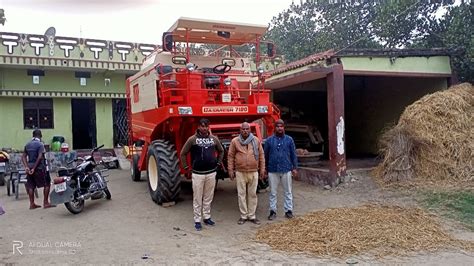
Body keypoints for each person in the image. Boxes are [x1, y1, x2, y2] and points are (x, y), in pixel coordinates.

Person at [180, 118, 224, 231]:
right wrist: (186, 168)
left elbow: (221, 150)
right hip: (198, 174)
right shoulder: (192, 140)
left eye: (206, 126)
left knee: (208, 197)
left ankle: (207, 217)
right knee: (197, 198)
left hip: (211, 173)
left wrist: (218, 163)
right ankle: (197, 220)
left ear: (208, 127)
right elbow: (183, 153)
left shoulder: (214, 139)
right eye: (202, 126)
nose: (204, 128)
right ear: (198, 127)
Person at [228, 122, 265, 225]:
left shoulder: (256, 140)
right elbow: (230, 156)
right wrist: (230, 170)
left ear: (250, 130)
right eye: (243, 129)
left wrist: (262, 169)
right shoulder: (235, 141)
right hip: (240, 172)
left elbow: (261, 155)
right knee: (241, 194)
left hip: (253, 172)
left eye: (247, 129)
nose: (245, 131)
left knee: (253, 194)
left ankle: (252, 216)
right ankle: (243, 216)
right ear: (240, 130)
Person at [264, 119, 298, 220]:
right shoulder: (269, 141)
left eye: (281, 126)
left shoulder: (289, 140)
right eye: (278, 126)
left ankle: (288, 210)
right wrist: (265, 169)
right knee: (273, 192)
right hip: (272, 170)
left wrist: (295, 167)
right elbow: (265, 155)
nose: (279, 128)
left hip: (286, 169)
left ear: (284, 128)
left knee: (288, 191)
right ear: (275, 128)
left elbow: (293, 154)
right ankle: (272, 211)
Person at [22, 129, 54, 209]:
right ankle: (46, 203)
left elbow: (23, 157)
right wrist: (34, 168)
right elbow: (40, 157)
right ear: (40, 136)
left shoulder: (27, 144)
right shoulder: (40, 144)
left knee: (31, 186)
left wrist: (27, 167)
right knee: (47, 184)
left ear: (33, 136)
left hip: (29, 167)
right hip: (40, 168)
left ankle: (32, 204)